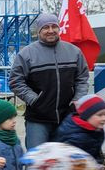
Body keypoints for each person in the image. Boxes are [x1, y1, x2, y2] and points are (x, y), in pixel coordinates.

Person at [9, 12, 89, 150]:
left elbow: (82, 78)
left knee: (65, 161)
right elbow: (16, 81)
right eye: (45, 27)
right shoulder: (26, 54)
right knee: (36, 162)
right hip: (38, 119)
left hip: (67, 117)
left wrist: (77, 100)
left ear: (59, 28)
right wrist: (35, 100)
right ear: (39, 31)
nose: (50, 30)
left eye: (54, 26)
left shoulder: (74, 52)